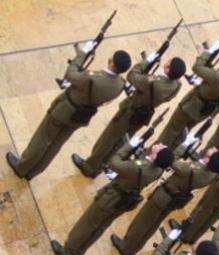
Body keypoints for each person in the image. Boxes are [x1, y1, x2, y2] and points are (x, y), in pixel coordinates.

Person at [7, 45, 131, 180]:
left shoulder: (92, 78)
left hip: (64, 110)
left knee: (42, 139)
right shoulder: (120, 84)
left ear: (112, 63)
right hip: (81, 117)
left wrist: (82, 54)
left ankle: (22, 167)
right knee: (56, 144)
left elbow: (70, 73)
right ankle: (33, 172)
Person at [51, 140, 174, 255]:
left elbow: (114, 162)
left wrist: (128, 146)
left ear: (156, 156)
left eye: (161, 147)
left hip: (112, 198)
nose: (161, 144)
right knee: (100, 227)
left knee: (88, 223)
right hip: (123, 201)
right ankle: (77, 254)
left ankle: (68, 253)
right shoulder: (158, 170)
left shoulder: (138, 168)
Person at [72, 57, 186, 178]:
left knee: (108, 139)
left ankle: (89, 167)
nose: (167, 61)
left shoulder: (153, 81)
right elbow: (168, 98)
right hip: (143, 116)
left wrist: (146, 62)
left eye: (169, 62)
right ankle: (101, 166)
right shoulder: (176, 85)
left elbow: (132, 76)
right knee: (120, 142)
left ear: (168, 69)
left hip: (129, 111)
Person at [111, 146, 219, 255]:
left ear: (210, 160)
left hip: (163, 197)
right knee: (153, 224)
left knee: (142, 222)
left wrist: (170, 149)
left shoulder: (192, 169)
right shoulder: (211, 174)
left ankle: (125, 247)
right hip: (174, 200)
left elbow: (170, 161)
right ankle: (135, 247)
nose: (214, 149)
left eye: (214, 152)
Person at [155, 46, 219, 148]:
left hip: (191, 106)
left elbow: (197, 67)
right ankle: (170, 150)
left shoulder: (218, 77)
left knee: (171, 131)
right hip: (205, 110)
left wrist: (208, 52)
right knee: (183, 131)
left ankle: (156, 151)